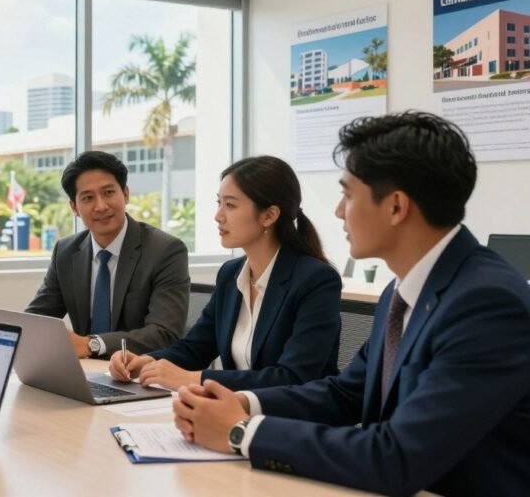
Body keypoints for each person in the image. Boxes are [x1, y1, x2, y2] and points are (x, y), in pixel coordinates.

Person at [173, 112, 530, 496]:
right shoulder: (404, 290)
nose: (339, 211)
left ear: (395, 207)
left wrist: (242, 431)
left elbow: (397, 457)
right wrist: (242, 403)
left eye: (347, 194)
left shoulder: (486, 304)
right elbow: (345, 393)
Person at [110, 156, 341, 391]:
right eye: (219, 203)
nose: (218, 216)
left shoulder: (315, 280)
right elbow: (196, 347)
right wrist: (148, 361)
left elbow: (294, 377)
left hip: (296, 420)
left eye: (230, 205)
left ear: (269, 215)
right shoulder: (231, 274)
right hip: (237, 412)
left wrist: (194, 379)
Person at [25, 150, 189, 358]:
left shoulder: (165, 250)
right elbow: (37, 318)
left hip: (140, 375)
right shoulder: (65, 252)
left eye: (109, 193)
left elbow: (164, 333)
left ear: (126, 194)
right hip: (85, 373)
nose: (101, 206)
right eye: (88, 198)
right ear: (74, 207)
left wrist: (91, 344)